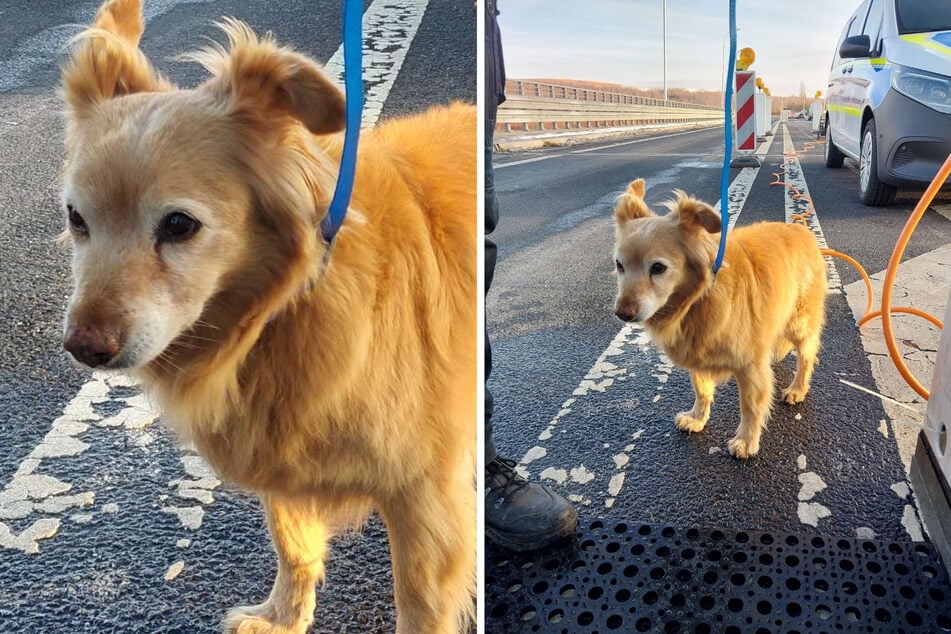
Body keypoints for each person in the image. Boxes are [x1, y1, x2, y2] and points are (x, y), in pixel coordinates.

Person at [483, 0, 578, 551]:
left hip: (480, 40)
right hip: (458, 42)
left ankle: (470, 462)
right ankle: (467, 464)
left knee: (469, 242)